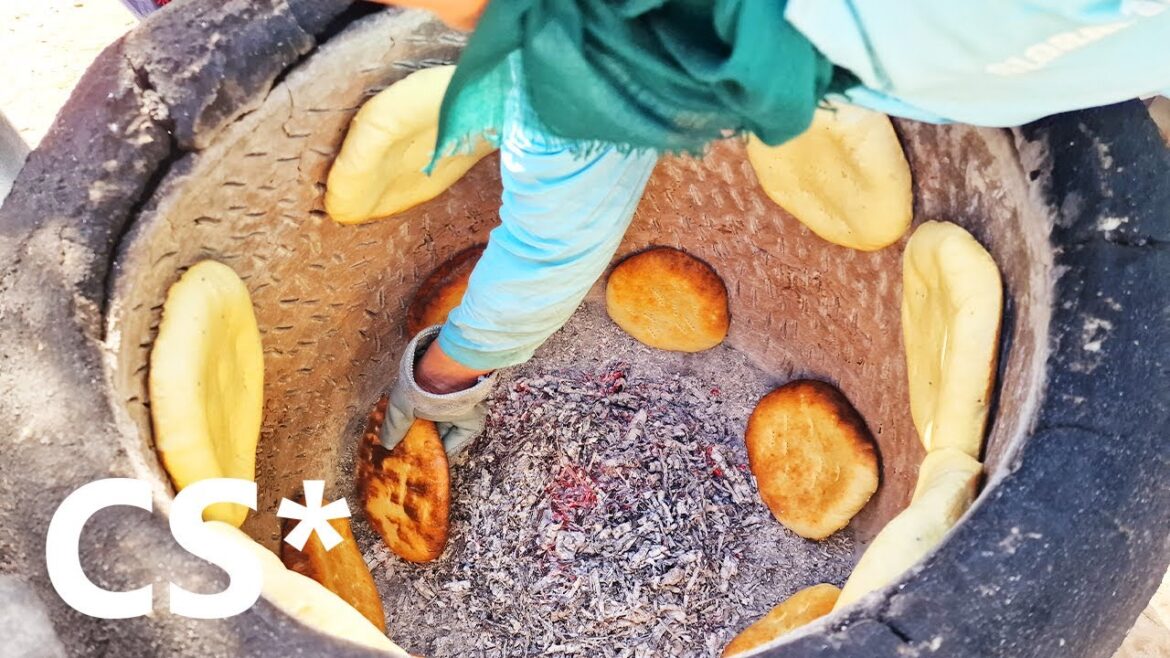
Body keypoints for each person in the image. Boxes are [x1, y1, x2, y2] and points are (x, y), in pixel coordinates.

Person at [364, 0, 1170, 453]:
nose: (461, 26)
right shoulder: (602, 42)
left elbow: (555, 233)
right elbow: (553, 235)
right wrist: (448, 370)